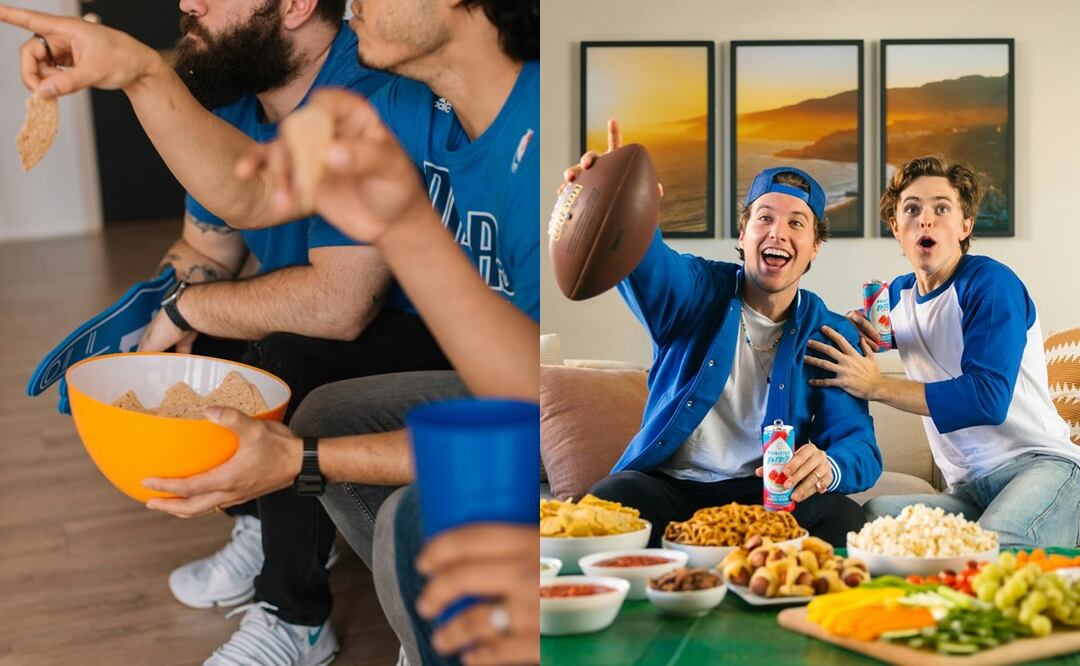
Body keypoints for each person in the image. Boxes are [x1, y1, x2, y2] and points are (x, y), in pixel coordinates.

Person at [0, 0, 540, 663]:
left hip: (550, 416)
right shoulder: (401, 108)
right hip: (506, 385)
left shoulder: (541, 135)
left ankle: (314, 613)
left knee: (315, 408)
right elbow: (252, 196)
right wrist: (135, 70)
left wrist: (298, 459)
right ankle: (369, 586)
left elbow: (547, 421)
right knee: (302, 400)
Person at [561, 121, 880, 549]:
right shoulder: (696, 290)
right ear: (744, 234)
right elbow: (651, 267)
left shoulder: (830, 333)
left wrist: (830, 465)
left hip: (770, 498)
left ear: (815, 247)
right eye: (764, 218)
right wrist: (622, 209)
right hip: (673, 488)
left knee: (844, 517)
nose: (777, 232)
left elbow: (858, 443)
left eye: (797, 223)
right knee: (610, 501)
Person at [804, 155, 1080, 548]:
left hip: (1041, 467)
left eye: (941, 208)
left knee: (994, 548)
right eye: (912, 209)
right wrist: (855, 333)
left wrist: (876, 385)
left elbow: (986, 399)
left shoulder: (991, 285)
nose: (925, 219)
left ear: (965, 225)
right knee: (874, 522)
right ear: (896, 228)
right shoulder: (897, 296)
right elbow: (881, 333)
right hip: (968, 490)